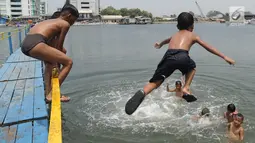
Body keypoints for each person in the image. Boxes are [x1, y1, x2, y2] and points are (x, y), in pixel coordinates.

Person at [125, 12, 235, 115]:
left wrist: (160, 44)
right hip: (182, 56)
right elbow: (208, 47)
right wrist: (224, 56)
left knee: (156, 82)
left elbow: (166, 40)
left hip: (168, 56)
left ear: (177, 26)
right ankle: (186, 88)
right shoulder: (193, 35)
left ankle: (143, 92)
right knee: (192, 68)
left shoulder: (174, 35)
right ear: (192, 26)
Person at [21, 3, 79, 102]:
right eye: (73, 20)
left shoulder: (50, 21)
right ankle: (54, 92)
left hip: (26, 44)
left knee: (50, 63)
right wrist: (60, 64)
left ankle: (48, 95)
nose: (73, 23)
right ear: (69, 16)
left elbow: (54, 46)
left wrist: (56, 60)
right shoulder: (65, 24)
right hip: (36, 43)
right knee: (69, 62)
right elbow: (59, 47)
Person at [43, 11, 69, 102]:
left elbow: (58, 46)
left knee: (52, 65)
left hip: (39, 47)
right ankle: (50, 94)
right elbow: (53, 45)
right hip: (41, 48)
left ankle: (50, 92)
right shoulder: (54, 28)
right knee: (51, 65)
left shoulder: (52, 26)